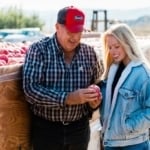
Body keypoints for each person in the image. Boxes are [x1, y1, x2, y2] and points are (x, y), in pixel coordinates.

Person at [22, 6, 103, 150]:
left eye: (78, 31)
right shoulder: (39, 50)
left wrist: (94, 101)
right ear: (57, 27)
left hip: (79, 129)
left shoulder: (89, 53)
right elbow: (31, 90)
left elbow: (97, 83)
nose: (75, 37)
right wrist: (68, 98)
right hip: (47, 130)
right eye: (70, 31)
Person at [97, 23, 150, 150]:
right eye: (110, 47)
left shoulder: (142, 73)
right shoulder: (110, 70)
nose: (113, 52)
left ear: (128, 44)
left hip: (134, 144)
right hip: (110, 142)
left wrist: (128, 126)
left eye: (117, 46)